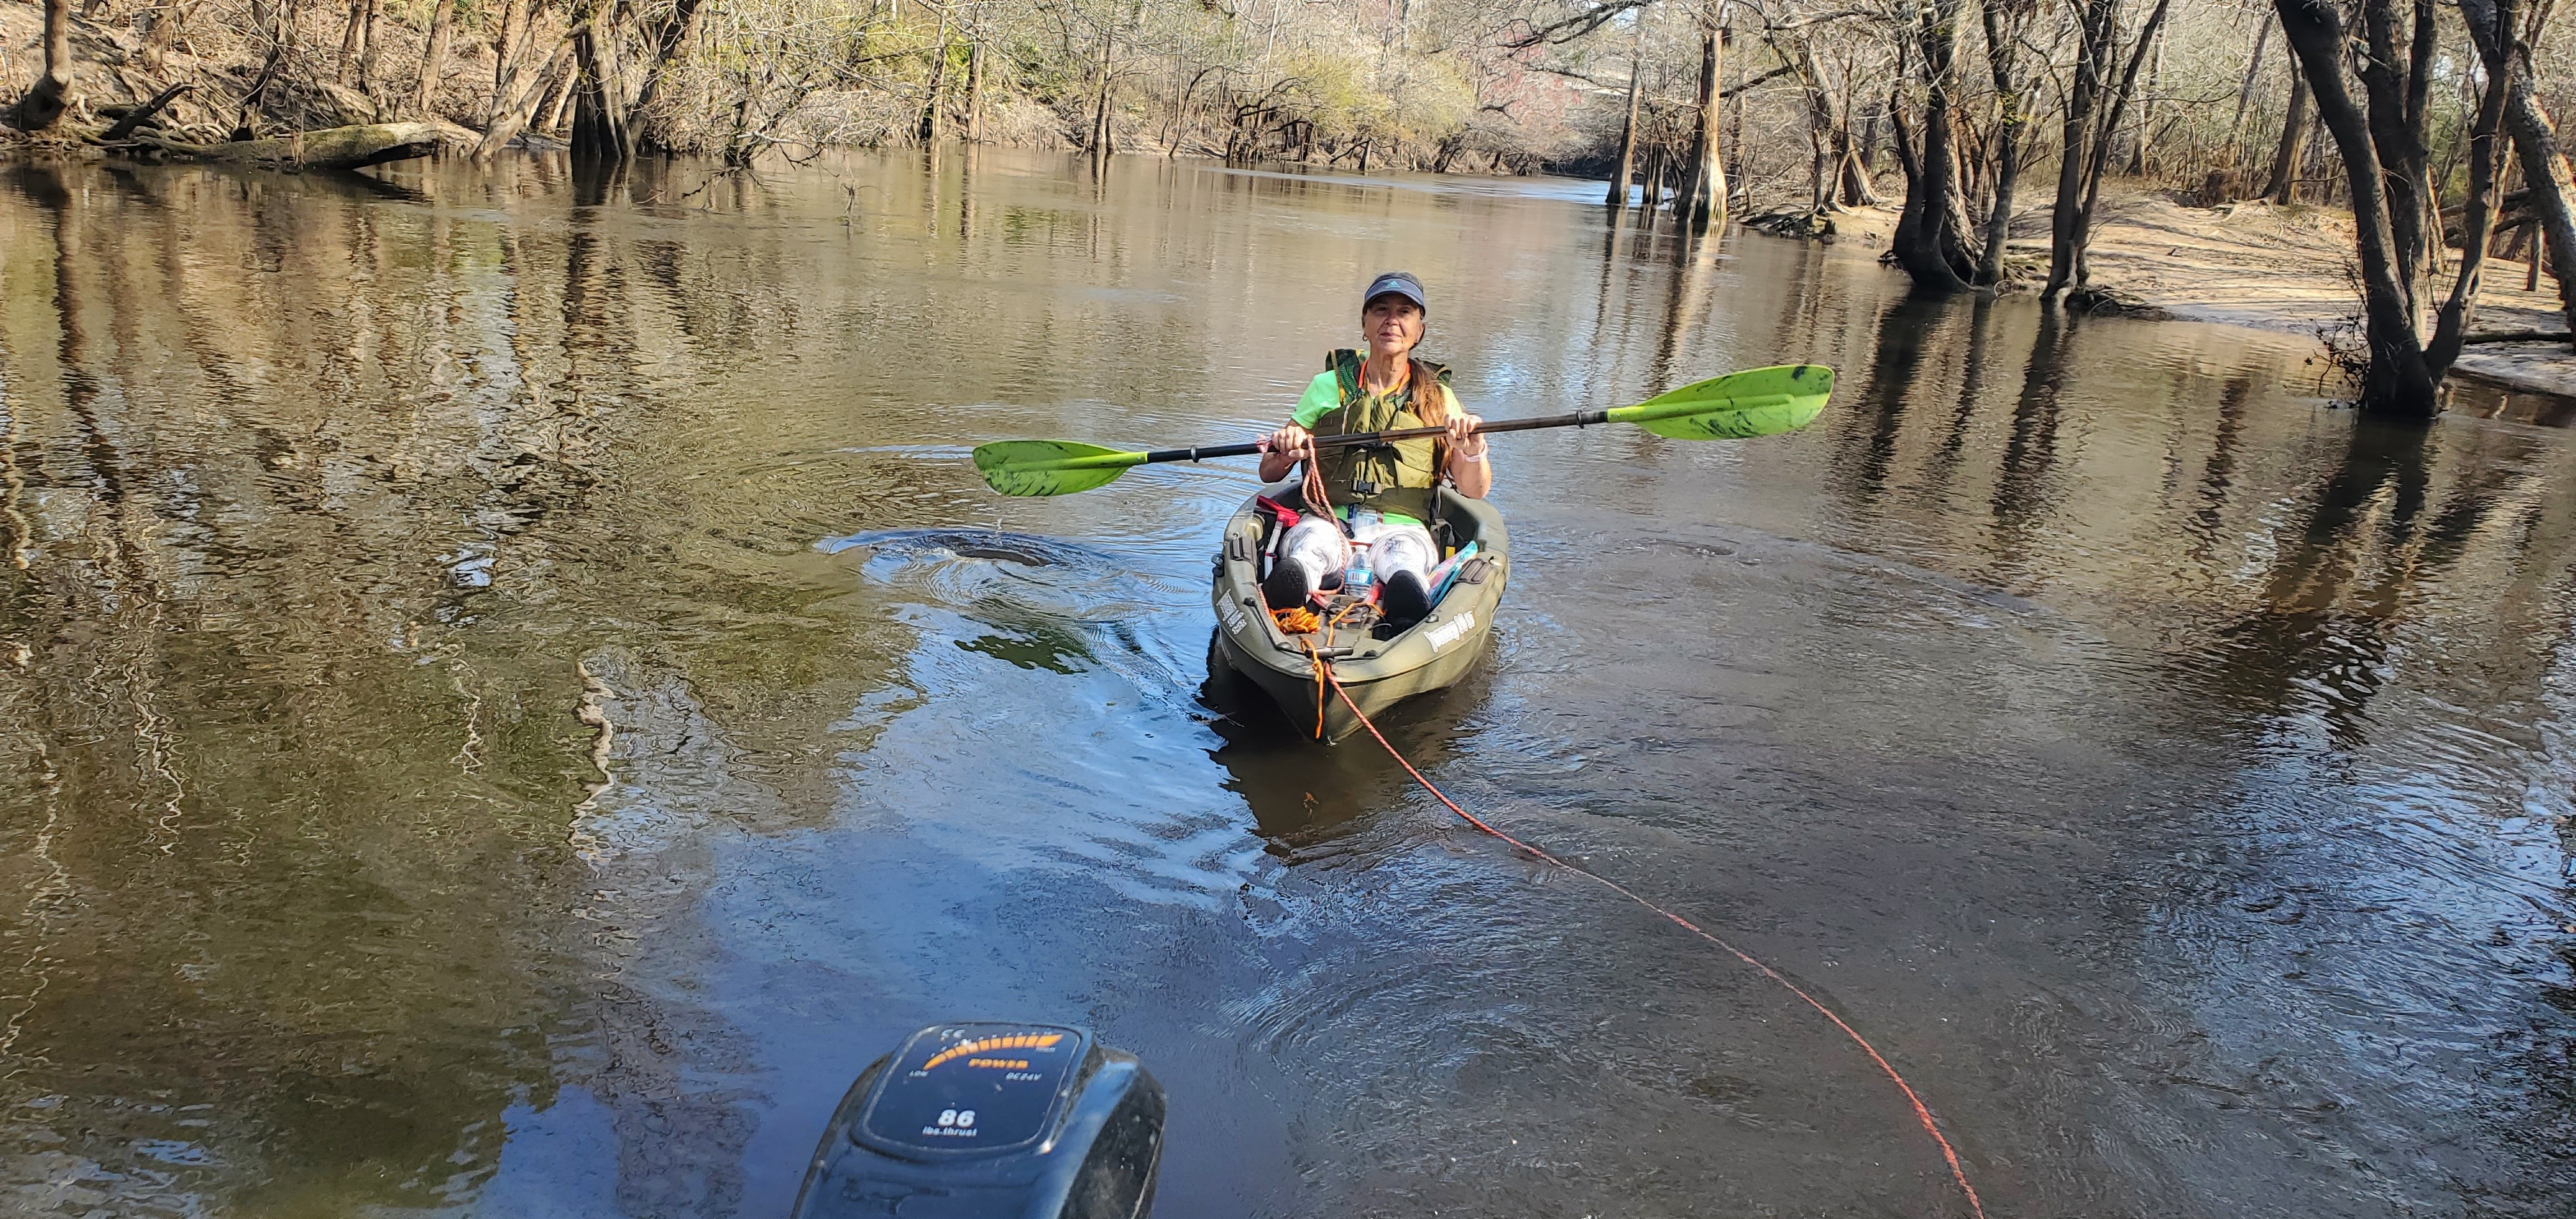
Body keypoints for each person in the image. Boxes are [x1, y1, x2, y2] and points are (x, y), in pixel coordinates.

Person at [1259, 270, 1491, 627]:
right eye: (1380, 310)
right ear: (1364, 325)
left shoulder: (1438, 399)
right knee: (1309, 547)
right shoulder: (1328, 386)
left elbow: (1474, 489)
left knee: (1404, 559)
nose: (1391, 321)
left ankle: (1406, 595)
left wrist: (1472, 449)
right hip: (1328, 521)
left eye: (1404, 312)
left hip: (1404, 529)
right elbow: (1269, 472)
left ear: (1420, 330)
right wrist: (1288, 448)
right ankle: (1295, 582)